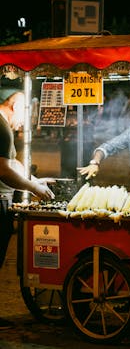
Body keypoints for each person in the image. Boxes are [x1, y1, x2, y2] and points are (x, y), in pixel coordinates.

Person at [0, 89, 55, 329]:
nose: (25, 122)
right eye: (25, 114)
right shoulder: (2, 128)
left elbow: (11, 162)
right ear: (15, 106)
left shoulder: (4, 127)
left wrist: (32, 178)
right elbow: (3, 170)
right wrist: (33, 187)